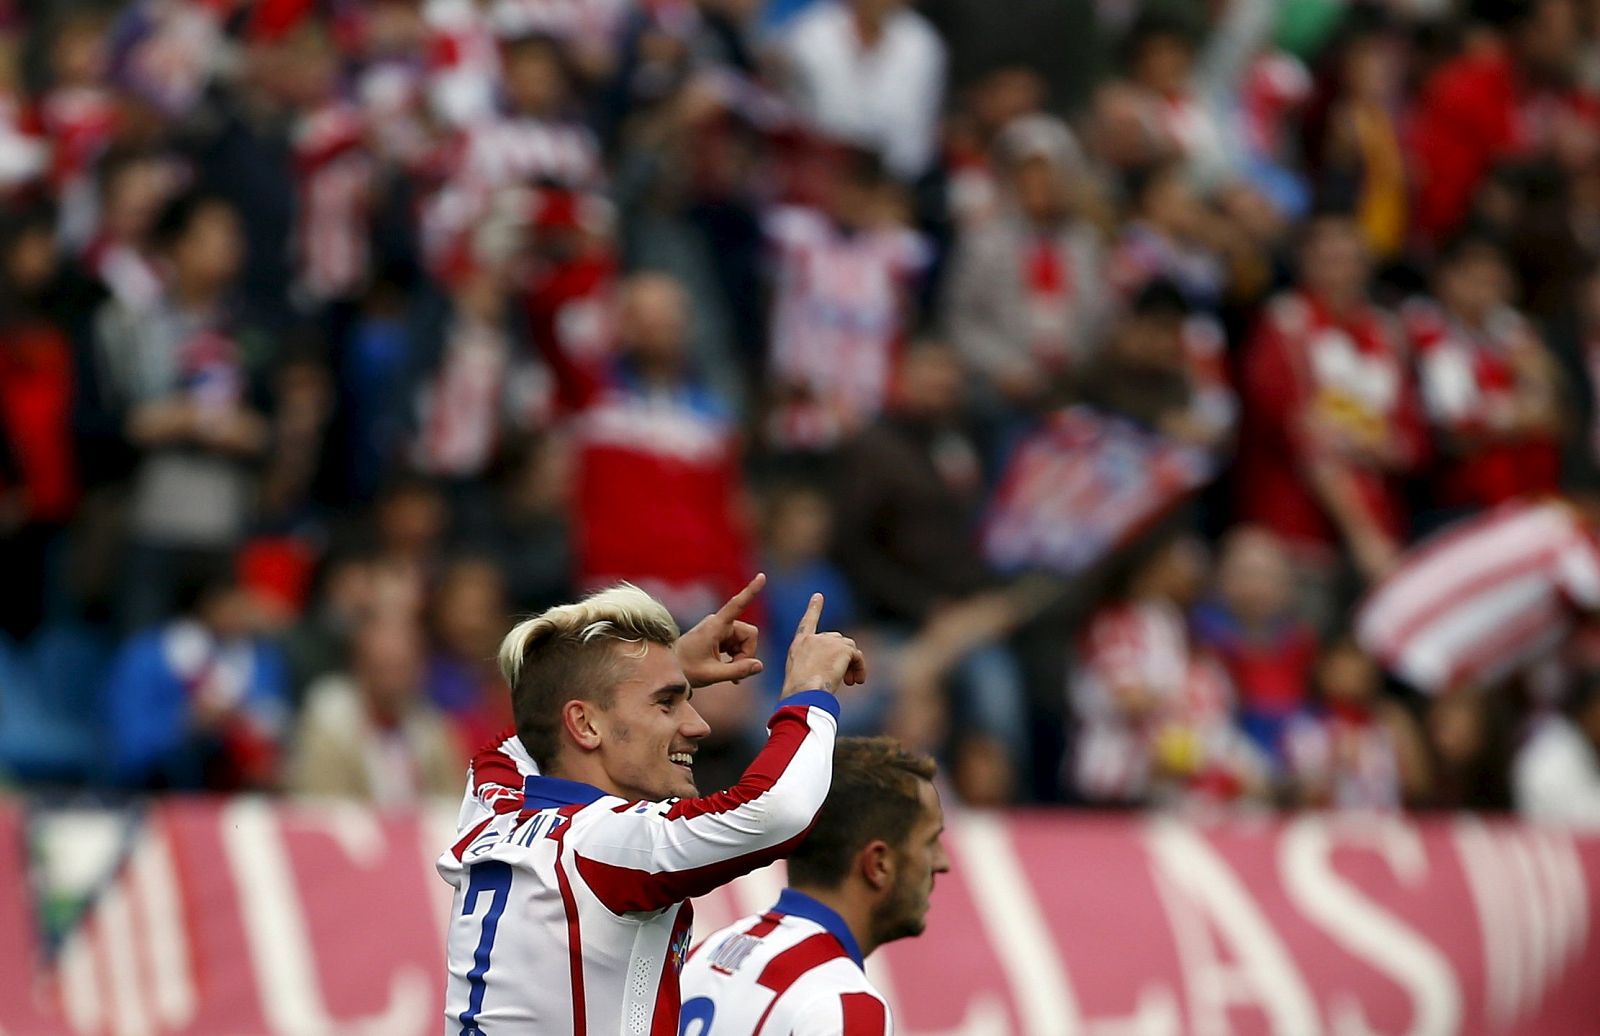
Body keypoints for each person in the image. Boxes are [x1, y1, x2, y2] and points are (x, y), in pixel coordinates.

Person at [440, 581, 864, 1033]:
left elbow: (530, 729)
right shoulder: (602, 848)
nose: (698, 725)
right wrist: (810, 690)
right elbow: (776, 808)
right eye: (667, 703)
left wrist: (660, 669)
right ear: (584, 724)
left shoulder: (491, 803)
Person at [678, 736, 948, 1035]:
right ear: (878, 864)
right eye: (931, 842)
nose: (942, 862)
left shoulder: (701, 955)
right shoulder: (842, 1003)